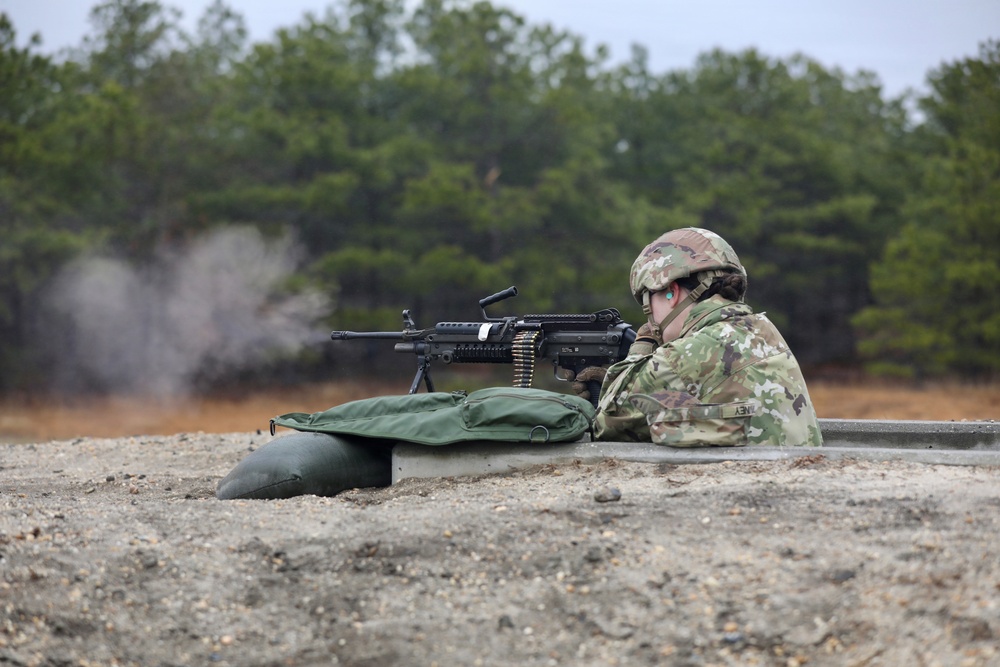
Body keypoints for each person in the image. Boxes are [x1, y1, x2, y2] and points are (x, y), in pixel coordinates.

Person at [576, 227, 823, 447]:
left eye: (646, 300)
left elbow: (608, 421)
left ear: (671, 292)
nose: (649, 316)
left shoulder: (691, 352)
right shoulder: (762, 328)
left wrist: (642, 347)